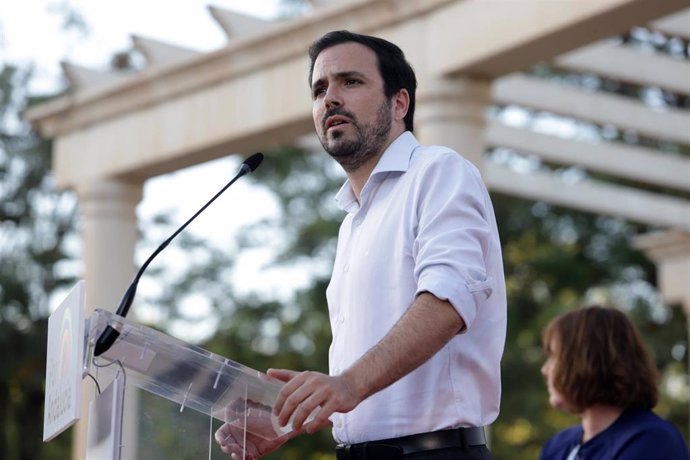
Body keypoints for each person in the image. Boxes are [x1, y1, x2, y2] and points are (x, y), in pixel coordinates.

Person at [216, 29, 506, 459]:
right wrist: (300, 412)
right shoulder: (353, 221)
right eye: (319, 89)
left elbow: (449, 300)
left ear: (399, 103)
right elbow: (369, 388)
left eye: (350, 82)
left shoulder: (438, 172)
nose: (330, 98)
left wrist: (347, 384)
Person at [539, 305, 689, 460]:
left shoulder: (651, 441)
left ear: (590, 362)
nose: (545, 370)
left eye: (554, 356)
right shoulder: (558, 446)